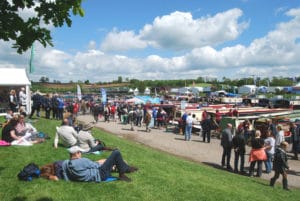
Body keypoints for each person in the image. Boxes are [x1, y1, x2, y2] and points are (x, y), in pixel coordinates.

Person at [62, 146, 138, 182]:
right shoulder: (82, 161)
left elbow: (66, 177)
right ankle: (123, 173)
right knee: (116, 153)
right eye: (80, 152)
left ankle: (126, 168)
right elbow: (97, 165)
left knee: (112, 160)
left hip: (95, 176)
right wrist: (107, 162)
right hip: (100, 174)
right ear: (77, 153)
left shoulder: (65, 163)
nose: (81, 154)